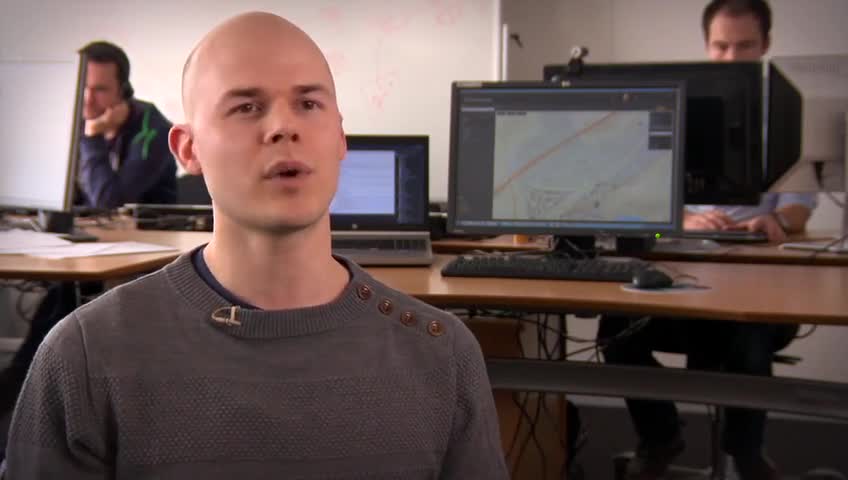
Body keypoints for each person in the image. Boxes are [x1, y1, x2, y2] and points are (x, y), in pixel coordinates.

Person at [2, 12, 508, 478]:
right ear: (188, 149)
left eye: (308, 104)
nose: (284, 126)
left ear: (339, 138)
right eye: (246, 107)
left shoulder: (442, 355)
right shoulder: (85, 357)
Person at [599, 2, 816, 480]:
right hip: (683, 277)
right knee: (615, 329)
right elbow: (641, 204)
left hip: (754, 285)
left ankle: (745, 452)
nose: (731, 57)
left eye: (744, 46)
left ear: (766, 46)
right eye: (721, 46)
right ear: (706, 46)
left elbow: (798, 211)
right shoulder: (671, 112)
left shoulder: (786, 116)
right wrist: (678, 219)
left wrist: (774, 220)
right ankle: (660, 436)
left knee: (748, 336)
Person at [0, 42, 178, 435]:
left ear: (123, 91)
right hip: (90, 248)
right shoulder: (63, 120)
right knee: (58, 301)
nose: (87, 99)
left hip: (147, 253)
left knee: (65, 305)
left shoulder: (152, 128)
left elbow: (108, 199)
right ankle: (19, 400)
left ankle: (23, 400)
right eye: (83, 88)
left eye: (99, 89)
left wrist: (92, 137)